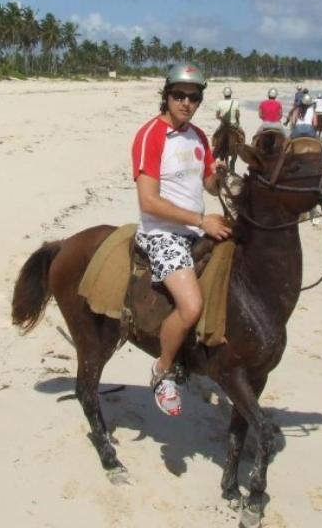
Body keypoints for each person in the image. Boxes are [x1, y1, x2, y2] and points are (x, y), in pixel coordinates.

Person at [131, 62, 232, 415]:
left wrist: (217, 177)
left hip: (196, 227)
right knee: (191, 306)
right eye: (179, 95)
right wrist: (201, 220)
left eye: (194, 97)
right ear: (166, 95)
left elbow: (206, 184)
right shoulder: (152, 135)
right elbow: (149, 201)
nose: (186, 103)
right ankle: (164, 370)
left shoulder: (199, 136)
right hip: (162, 233)